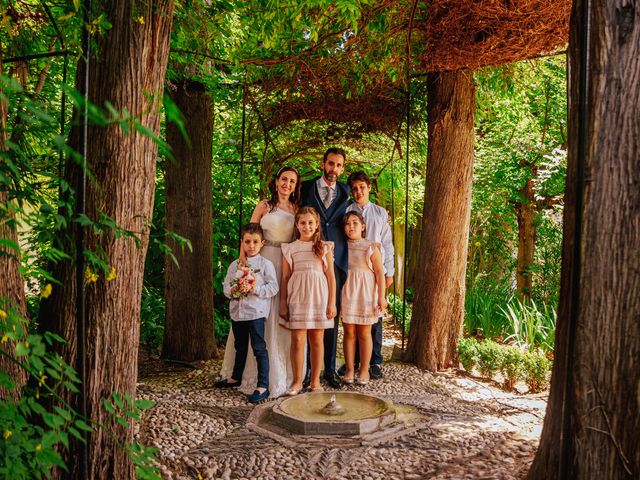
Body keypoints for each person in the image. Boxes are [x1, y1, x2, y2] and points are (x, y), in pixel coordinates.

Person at [219, 166, 301, 398]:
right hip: (260, 259)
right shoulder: (264, 206)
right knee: (251, 311)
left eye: (292, 181)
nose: (287, 184)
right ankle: (240, 373)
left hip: (283, 263)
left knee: (277, 312)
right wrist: (243, 266)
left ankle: (275, 374)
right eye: (284, 179)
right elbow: (250, 235)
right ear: (276, 181)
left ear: (296, 186)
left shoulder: (296, 209)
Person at [300, 148, 350, 389]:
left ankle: (329, 369)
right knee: (306, 312)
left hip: (336, 259)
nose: (334, 169)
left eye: (339, 165)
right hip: (309, 257)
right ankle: (308, 369)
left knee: (331, 315)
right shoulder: (306, 187)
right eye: (331, 164)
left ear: (342, 169)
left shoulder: (346, 192)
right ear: (323, 164)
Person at [216, 223, 279, 403]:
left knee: (259, 347)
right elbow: (226, 287)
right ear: (242, 242)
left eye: (255, 242)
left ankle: (263, 385)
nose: (251, 245)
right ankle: (235, 377)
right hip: (238, 312)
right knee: (240, 345)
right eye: (248, 241)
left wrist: (254, 288)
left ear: (262, 243)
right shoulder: (235, 265)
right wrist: (236, 289)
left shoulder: (266, 265)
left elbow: (273, 287)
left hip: (256, 312)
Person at [343, 171, 395, 379]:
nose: (358, 191)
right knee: (353, 322)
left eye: (361, 187)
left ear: (369, 188)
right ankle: (352, 363)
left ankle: (374, 362)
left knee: (374, 318)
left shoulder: (380, 213)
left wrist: (389, 272)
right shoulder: (347, 212)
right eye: (354, 188)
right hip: (354, 270)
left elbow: (388, 244)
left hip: (376, 269)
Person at [279, 207, 337, 394]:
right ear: (297, 225)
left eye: (310, 222)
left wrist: (331, 302)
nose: (307, 226)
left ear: (317, 224)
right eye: (302, 223)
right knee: (297, 339)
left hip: (319, 296)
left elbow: (330, 277)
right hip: (297, 296)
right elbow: (286, 277)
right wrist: (283, 302)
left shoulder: (325, 247)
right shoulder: (290, 248)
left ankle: (315, 382)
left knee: (317, 339)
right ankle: (297, 381)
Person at [341, 211, 387, 385]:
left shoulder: (371, 247)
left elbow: (380, 274)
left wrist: (381, 297)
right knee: (349, 332)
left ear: (363, 226)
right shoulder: (342, 246)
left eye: (355, 223)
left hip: (366, 293)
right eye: (347, 223)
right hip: (347, 292)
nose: (351, 226)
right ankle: (350, 369)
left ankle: (364, 370)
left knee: (365, 333)